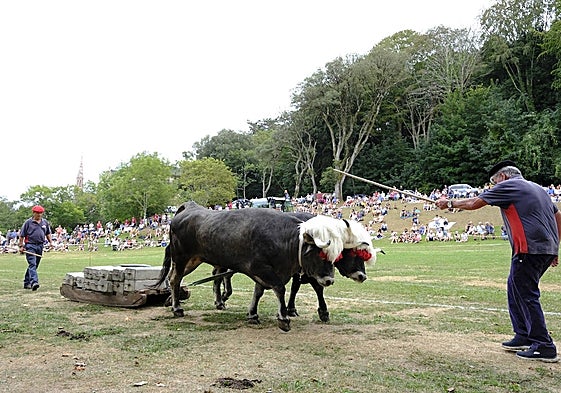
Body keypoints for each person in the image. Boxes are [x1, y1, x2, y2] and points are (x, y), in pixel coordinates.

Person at [435, 160, 560, 363]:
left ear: (502, 177)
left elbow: (474, 203)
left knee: (526, 293)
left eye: (495, 182)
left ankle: (544, 346)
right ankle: (523, 335)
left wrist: (449, 203)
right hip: (544, 248)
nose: (494, 187)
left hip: (528, 249)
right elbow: (558, 216)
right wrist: (555, 247)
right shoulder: (537, 188)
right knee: (515, 286)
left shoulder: (508, 186)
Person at [18, 205, 53, 291]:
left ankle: (26, 283)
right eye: (38, 213)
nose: (39, 215)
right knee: (32, 264)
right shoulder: (28, 223)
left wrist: (51, 242)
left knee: (34, 265)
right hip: (30, 245)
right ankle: (34, 282)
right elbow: (22, 235)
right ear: (33, 213)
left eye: (41, 213)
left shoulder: (45, 222)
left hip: (40, 246)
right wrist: (21, 246)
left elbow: (48, 233)